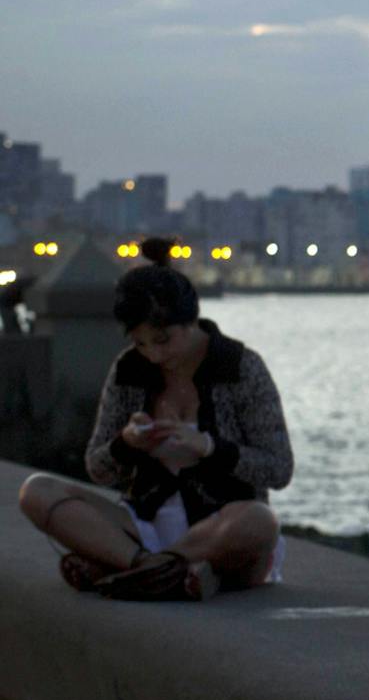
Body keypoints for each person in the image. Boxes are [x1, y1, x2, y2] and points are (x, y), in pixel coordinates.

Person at [17, 239, 292, 600]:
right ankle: (158, 570)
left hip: (219, 530)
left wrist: (208, 447)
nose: (154, 354)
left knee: (260, 521)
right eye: (141, 342)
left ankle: (129, 567)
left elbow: (278, 469)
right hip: (139, 528)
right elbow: (97, 469)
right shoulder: (129, 370)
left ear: (191, 321)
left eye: (163, 339)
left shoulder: (240, 368)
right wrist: (127, 444)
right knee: (36, 491)